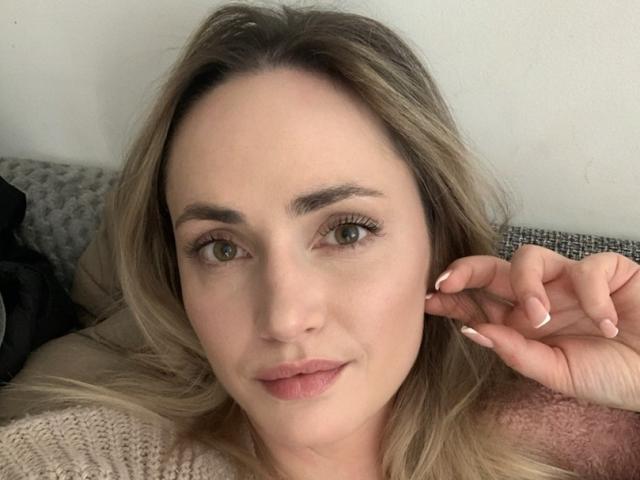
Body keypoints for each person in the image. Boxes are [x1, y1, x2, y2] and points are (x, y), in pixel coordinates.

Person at [1, 3, 639, 479]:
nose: (284, 318)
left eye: (346, 231)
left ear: (437, 239)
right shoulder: (99, 457)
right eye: (221, 247)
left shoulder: (576, 438)